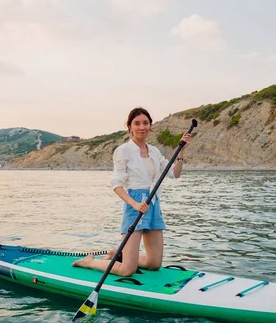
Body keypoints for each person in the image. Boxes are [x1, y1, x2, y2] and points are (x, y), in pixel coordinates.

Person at [73, 107, 191, 276]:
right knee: (128, 270)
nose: (141, 127)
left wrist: (181, 152)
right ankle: (91, 262)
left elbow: (175, 173)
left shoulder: (155, 152)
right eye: (137, 123)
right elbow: (116, 184)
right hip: (135, 204)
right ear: (129, 127)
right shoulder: (123, 151)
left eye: (145, 123)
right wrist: (134, 204)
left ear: (150, 126)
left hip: (153, 204)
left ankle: (117, 255)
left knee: (154, 264)